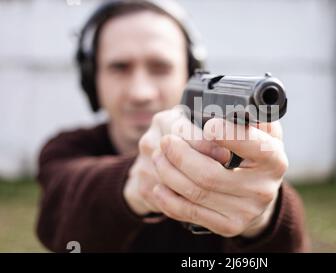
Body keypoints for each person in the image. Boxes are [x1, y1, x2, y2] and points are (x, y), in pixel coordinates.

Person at [36, 0, 309, 252]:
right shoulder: (64, 150)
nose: (140, 92)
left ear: (188, 73)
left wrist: (264, 217)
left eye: (160, 67)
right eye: (119, 67)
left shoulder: (227, 159)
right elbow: (61, 217)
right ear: (91, 79)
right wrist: (137, 183)